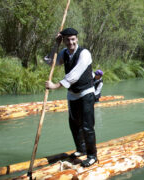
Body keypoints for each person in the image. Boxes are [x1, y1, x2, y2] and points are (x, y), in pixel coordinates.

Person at [44, 28, 97, 167]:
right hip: (73, 95)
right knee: (74, 125)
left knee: (87, 126)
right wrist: (55, 45)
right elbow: (51, 62)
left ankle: (92, 156)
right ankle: (81, 149)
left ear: (77, 39)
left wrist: (55, 85)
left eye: (73, 39)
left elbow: (74, 75)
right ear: (64, 41)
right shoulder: (64, 53)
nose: (70, 42)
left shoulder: (84, 53)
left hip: (86, 93)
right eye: (67, 40)